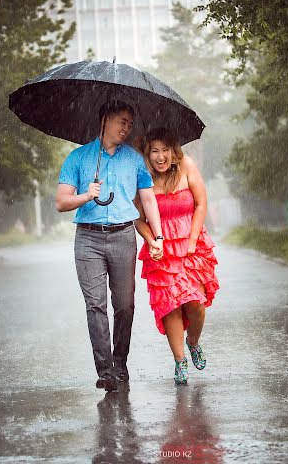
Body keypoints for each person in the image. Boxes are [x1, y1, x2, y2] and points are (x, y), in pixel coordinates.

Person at [56, 101, 163, 392]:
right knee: (95, 306)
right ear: (104, 119)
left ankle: (120, 362)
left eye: (130, 123)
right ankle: (105, 371)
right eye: (122, 121)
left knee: (125, 305)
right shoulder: (78, 158)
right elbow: (61, 202)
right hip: (88, 239)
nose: (127, 127)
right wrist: (85, 196)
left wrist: (158, 236)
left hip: (123, 237)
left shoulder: (135, 159)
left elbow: (148, 199)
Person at [134, 128, 219, 385]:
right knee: (170, 307)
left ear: (173, 150)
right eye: (154, 151)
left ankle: (192, 342)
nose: (160, 157)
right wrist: (151, 241)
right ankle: (179, 361)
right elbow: (138, 219)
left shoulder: (186, 166)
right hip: (162, 250)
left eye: (165, 150)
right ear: (147, 155)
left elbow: (201, 204)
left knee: (196, 305)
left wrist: (192, 240)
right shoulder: (143, 178)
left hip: (191, 245)